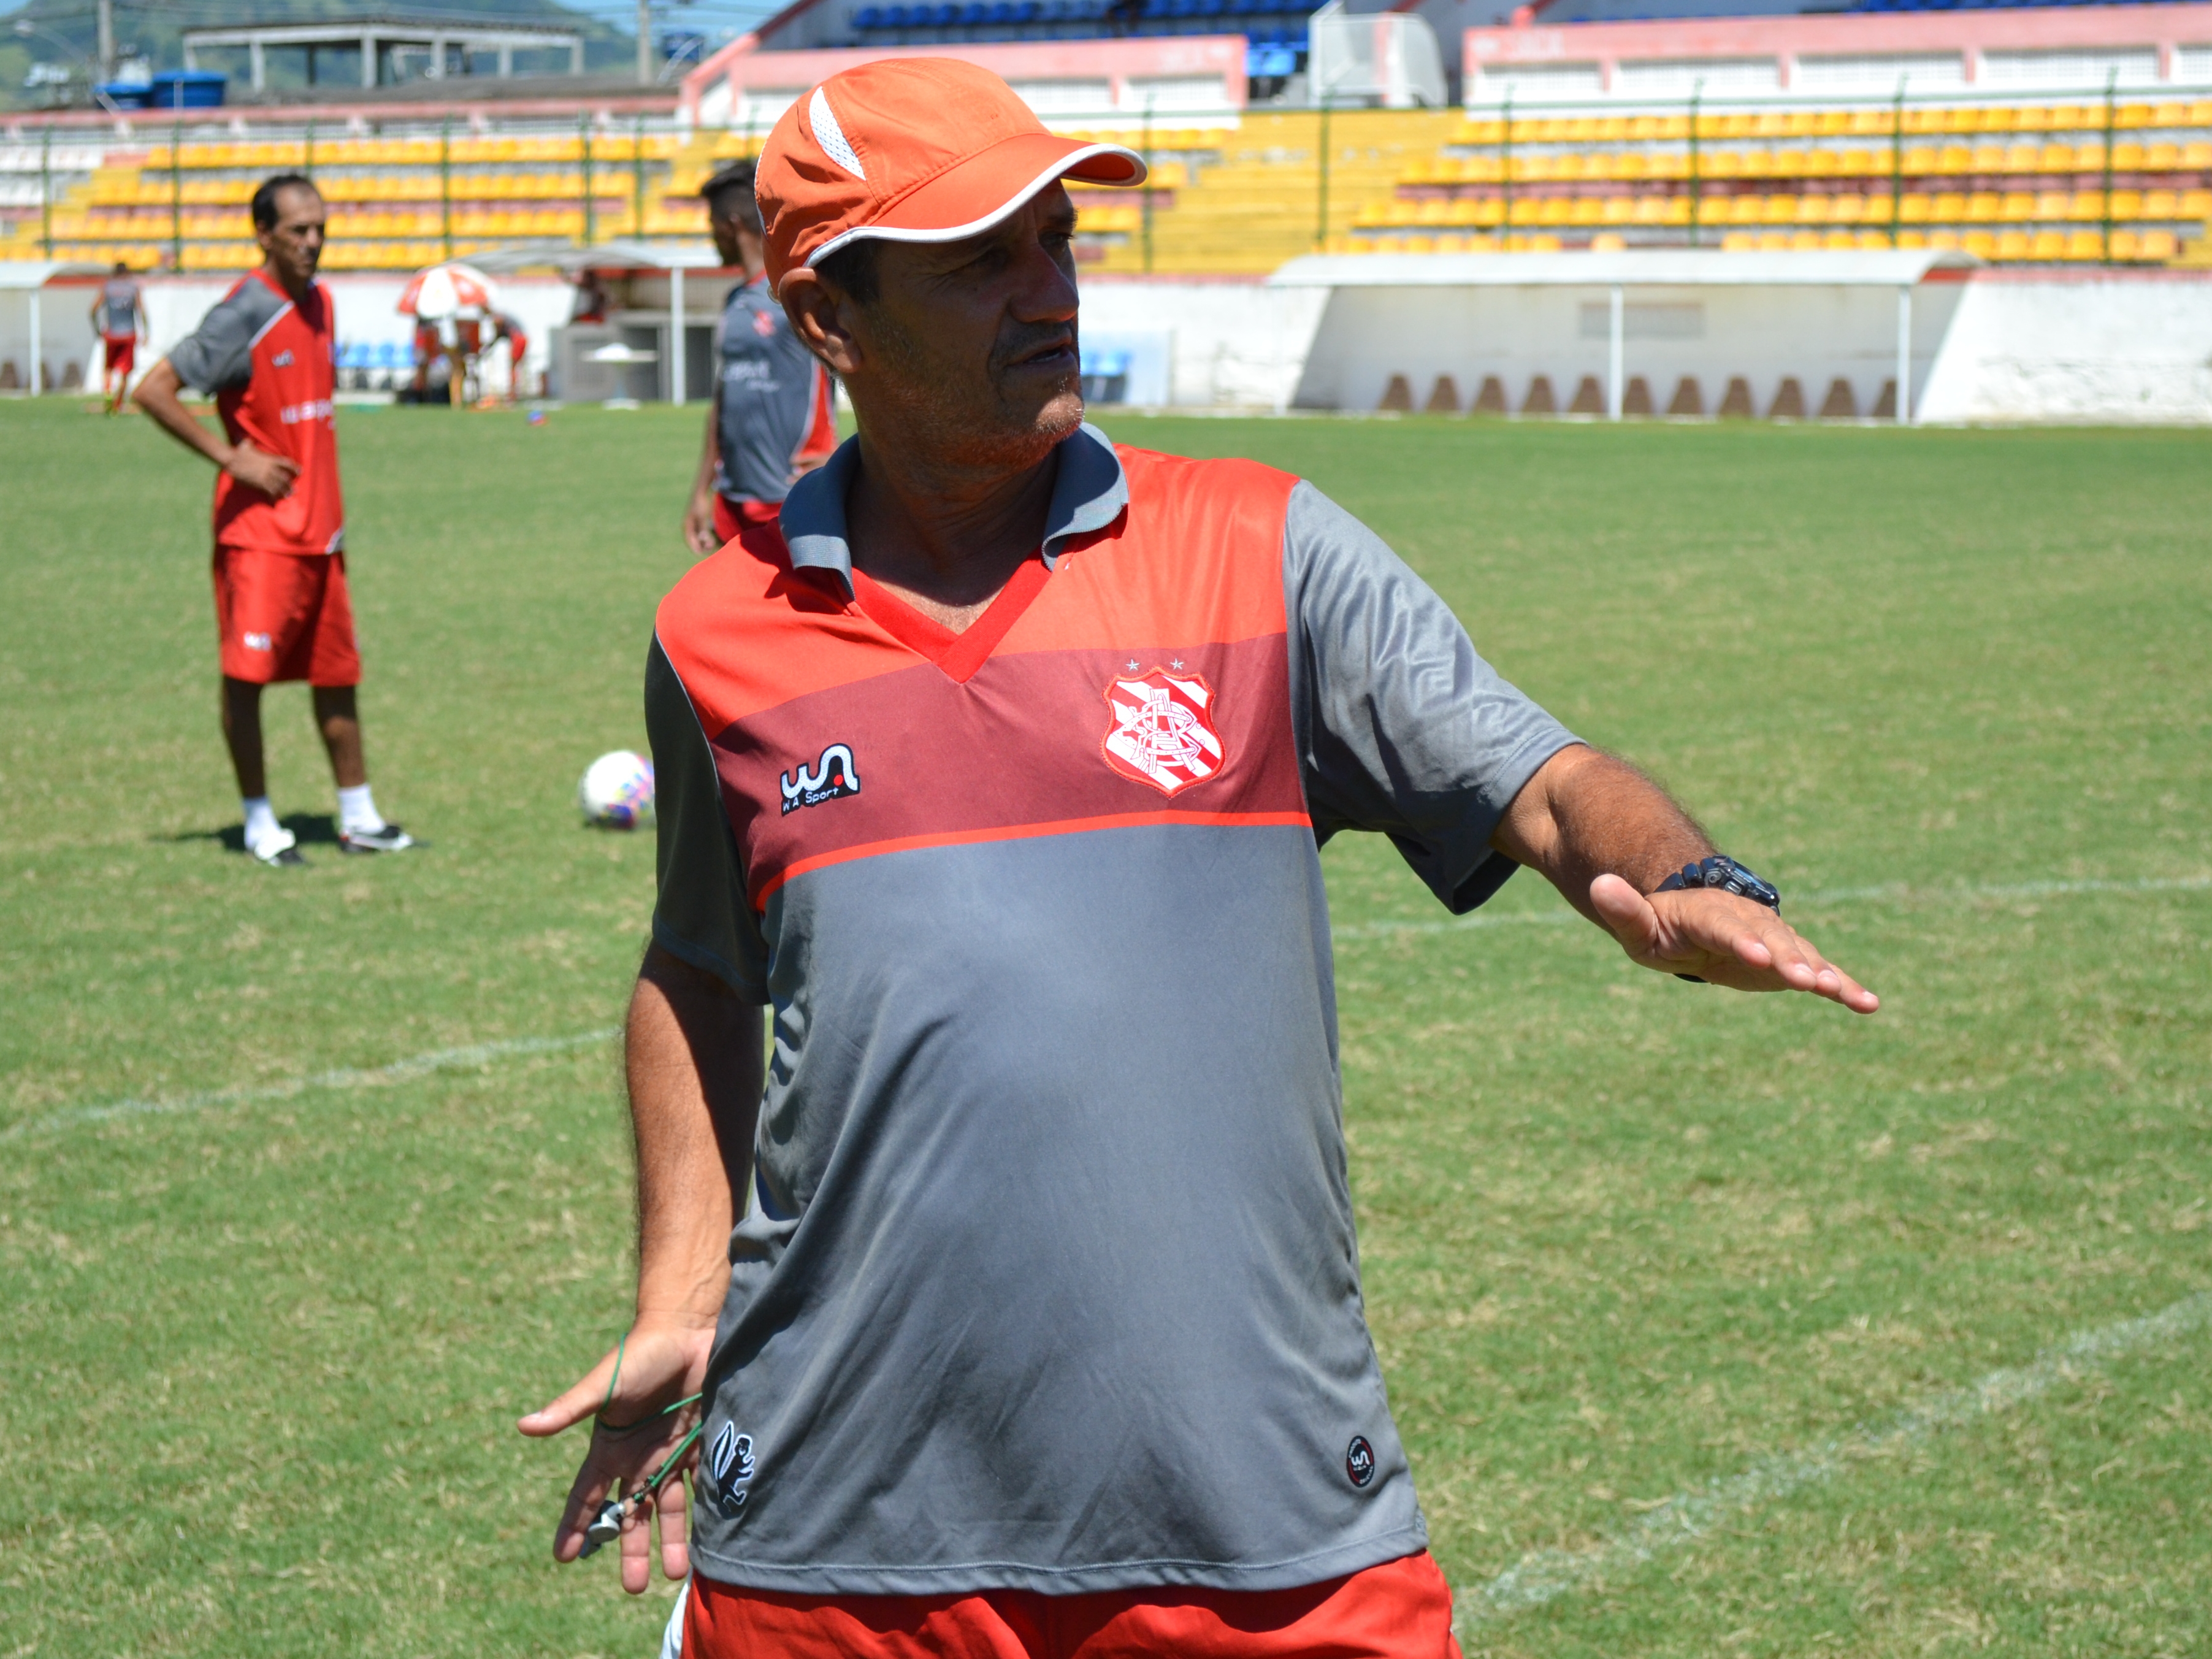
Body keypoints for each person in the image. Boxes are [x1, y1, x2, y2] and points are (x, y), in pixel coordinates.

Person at [518, 58, 1878, 1659]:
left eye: (1057, 243)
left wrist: (1689, 873)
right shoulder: (713, 640)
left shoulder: (1261, 551)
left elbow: (1546, 776)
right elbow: (695, 970)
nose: (1046, 293)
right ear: (826, 318)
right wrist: (679, 1298)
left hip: (1255, 1525)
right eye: (980, 260)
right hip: (828, 1538)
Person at [134, 173, 413, 868]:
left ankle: (359, 815)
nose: (313, 241)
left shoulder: (321, 302)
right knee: (246, 677)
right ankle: (259, 821)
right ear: (264, 235)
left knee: (336, 673)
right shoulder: (244, 310)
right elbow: (152, 389)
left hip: (324, 533)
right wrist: (233, 458)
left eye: (320, 227)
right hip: (259, 536)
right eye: (298, 230)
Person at [681, 159, 837, 556]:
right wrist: (701, 491)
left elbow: (865, 366)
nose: (710, 237)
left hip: (790, 491)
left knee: (808, 614)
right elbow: (724, 398)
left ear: (732, 224)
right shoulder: (734, 302)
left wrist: (846, 453)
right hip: (733, 498)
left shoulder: (796, 293)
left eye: (712, 225)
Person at [91, 261, 144, 415]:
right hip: (128, 334)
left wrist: (97, 330)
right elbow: (142, 311)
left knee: (108, 368)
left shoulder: (107, 287)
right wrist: (146, 331)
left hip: (111, 334)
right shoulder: (133, 288)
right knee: (125, 371)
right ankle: (118, 402)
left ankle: (108, 393)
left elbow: (93, 310)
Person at [490, 309, 532, 401]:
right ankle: (514, 392)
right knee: (515, 367)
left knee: (513, 368)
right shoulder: (505, 321)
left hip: (518, 340)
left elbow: (498, 322)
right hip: (522, 339)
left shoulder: (499, 318)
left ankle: (512, 393)